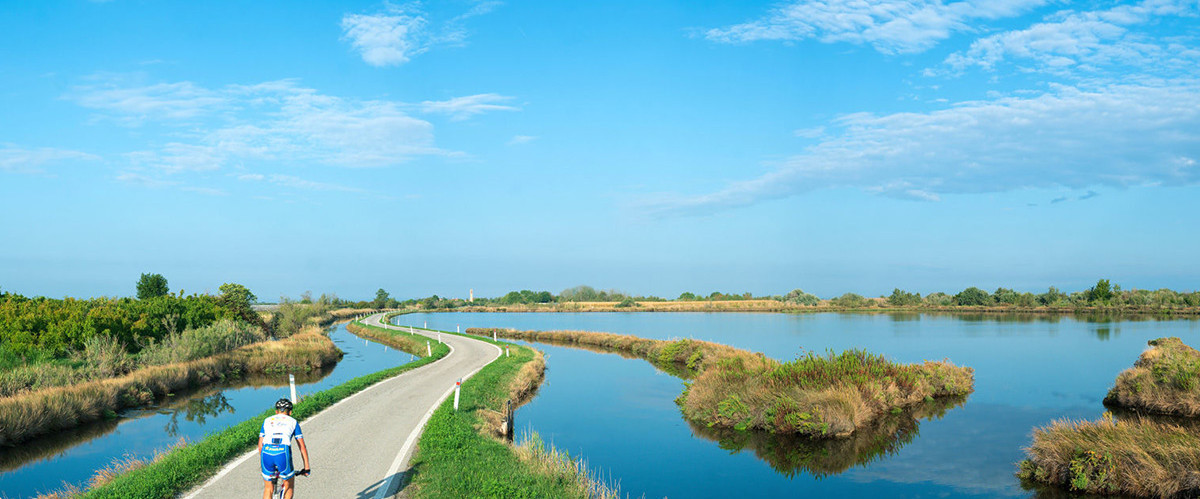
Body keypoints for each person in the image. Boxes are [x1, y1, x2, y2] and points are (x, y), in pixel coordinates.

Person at [259, 398, 311, 499]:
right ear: (290, 412)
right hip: (282, 451)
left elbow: (260, 445)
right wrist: (306, 468)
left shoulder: (267, 420)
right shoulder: (293, 422)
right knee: (289, 485)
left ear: (276, 411)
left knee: (268, 487)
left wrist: (264, 461)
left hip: (266, 451)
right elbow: (302, 447)